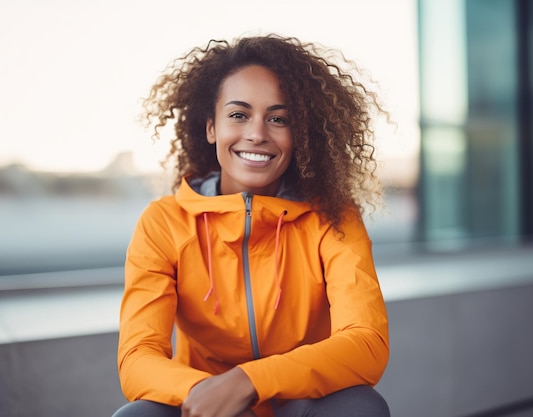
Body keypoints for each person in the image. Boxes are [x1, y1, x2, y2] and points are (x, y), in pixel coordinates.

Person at [113, 34, 390, 417]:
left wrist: (247, 382)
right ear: (212, 128)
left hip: (300, 401)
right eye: (239, 114)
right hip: (205, 404)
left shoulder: (333, 218)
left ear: (300, 136)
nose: (257, 133)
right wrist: (209, 395)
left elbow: (366, 343)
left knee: (360, 408)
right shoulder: (164, 222)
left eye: (279, 119)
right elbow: (138, 356)